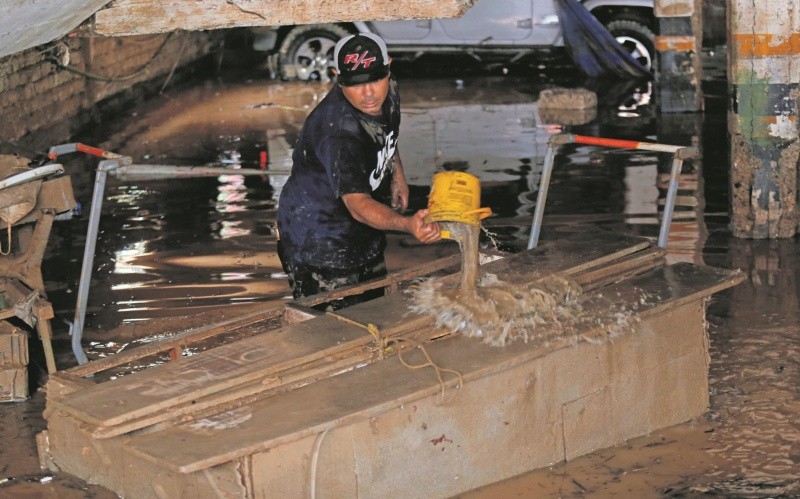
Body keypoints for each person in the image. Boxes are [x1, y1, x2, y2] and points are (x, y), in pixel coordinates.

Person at [276, 32, 441, 309]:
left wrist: (396, 172)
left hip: (362, 230)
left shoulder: (389, 89)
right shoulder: (338, 133)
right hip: (318, 241)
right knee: (332, 326)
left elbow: (386, 130)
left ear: (388, 68)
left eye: (375, 79)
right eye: (356, 84)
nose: (368, 94)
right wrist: (407, 225)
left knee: (374, 310)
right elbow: (358, 206)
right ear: (337, 76)